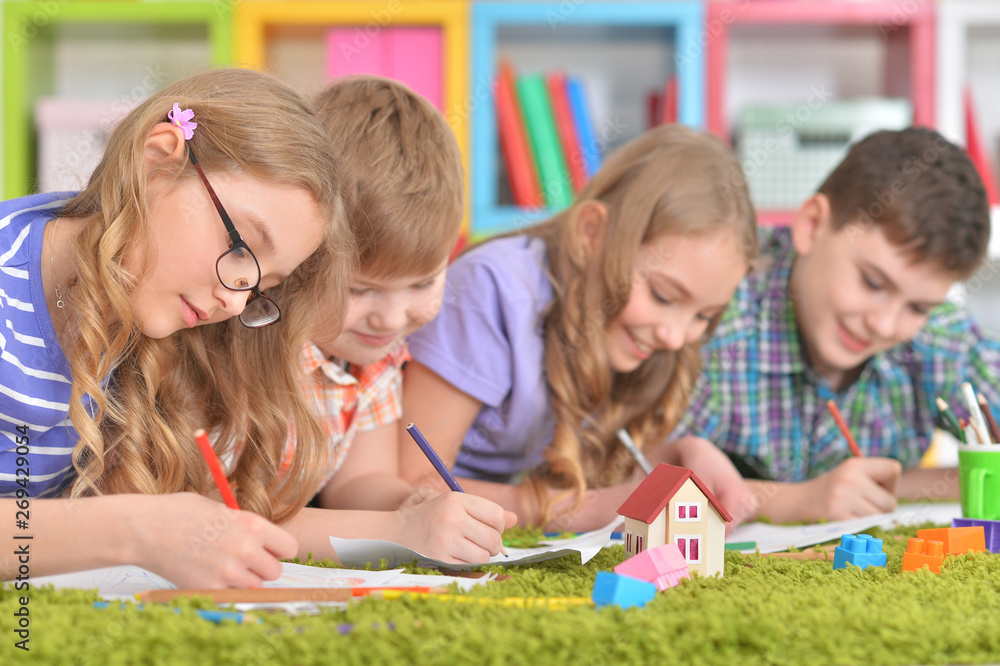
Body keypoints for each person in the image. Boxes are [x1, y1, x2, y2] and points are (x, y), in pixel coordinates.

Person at [0, 68, 351, 587]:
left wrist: (402, 529)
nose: (235, 302)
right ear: (158, 158)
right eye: (241, 249)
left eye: (260, 288)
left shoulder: (145, 312)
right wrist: (133, 530)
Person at [400, 124, 759, 531]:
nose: (675, 337)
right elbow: (409, 484)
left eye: (704, 316)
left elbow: (584, 463)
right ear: (592, 232)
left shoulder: (624, 334)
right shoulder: (493, 290)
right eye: (662, 295)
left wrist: (680, 452)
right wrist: (584, 508)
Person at [671, 127, 1000, 522]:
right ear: (811, 225)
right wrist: (795, 500)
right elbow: (627, 475)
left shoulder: (941, 337)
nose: (883, 324)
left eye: (918, 306)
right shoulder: (714, 309)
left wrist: (900, 485)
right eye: (872, 282)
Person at [275, 76, 513, 564]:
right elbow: (231, 518)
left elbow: (359, 481)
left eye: (423, 283)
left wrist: (409, 503)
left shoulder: (371, 355)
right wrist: (399, 530)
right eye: (360, 290)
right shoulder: (258, 347)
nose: (392, 317)